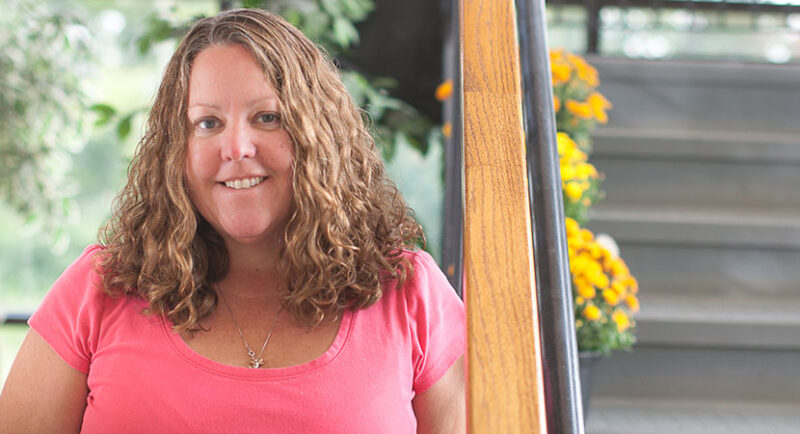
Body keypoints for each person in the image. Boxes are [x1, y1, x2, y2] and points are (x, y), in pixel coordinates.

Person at [0, 9, 465, 433]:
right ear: (174, 150)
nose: (237, 148)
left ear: (320, 139)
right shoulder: (99, 290)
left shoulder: (410, 294)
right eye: (207, 123)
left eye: (267, 117)